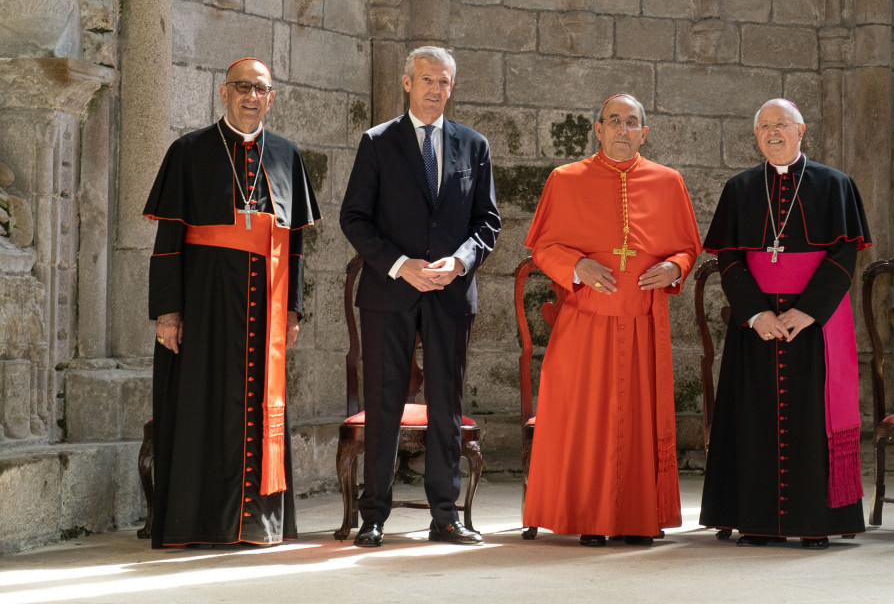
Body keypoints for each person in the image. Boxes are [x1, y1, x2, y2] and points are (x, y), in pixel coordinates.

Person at [144, 57, 321, 548]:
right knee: (200, 404)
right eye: (241, 87)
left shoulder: (286, 155)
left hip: (266, 308)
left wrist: (292, 309)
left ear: (272, 97)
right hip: (203, 305)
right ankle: (197, 523)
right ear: (224, 93)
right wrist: (168, 311)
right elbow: (167, 239)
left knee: (260, 406)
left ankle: (258, 524)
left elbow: (295, 242)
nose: (250, 96)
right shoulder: (190, 150)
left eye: (260, 89)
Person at [523, 93, 702, 547]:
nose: (623, 129)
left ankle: (639, 518)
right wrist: (577, 265)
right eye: (614, 121)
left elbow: (687, 246)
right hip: (585, 320)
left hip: (643, 319)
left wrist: (675, 267)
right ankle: (589, 516)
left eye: (632, 122)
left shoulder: (668, 181)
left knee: (639, 419)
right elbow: (542, 246)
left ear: (646, 132)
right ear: (597, 129)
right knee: (586, 419)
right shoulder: (565, 179)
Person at [340, 46, 501, 547]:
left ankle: (446, 516)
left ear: (453, 87)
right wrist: (399, 265)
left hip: (450, 293)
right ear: (407, 82)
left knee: (445, 403)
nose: (436, 89)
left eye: (445, 82)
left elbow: (487, 222)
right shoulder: (378, 142)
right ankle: (373, 516)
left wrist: (460, 262)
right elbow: (354, 218)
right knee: (384, 401)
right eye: (427, 80)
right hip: (389, 291)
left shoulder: (473, 145)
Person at [700, 98, 871, 549]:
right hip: (755, 326)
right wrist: (756, 315)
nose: (773, 132)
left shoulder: (836, 185)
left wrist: (807, 311)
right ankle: (756, 521)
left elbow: (844, 255)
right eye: (765, 127)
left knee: (812, 420)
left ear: (801, 130)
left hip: (815, 323)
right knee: (751, 418)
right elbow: (729, 257)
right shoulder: (739, 189)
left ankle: (816, 522)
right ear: (755, 136)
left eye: (782, 124)